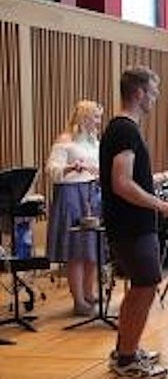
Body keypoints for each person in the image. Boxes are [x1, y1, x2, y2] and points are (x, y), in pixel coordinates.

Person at [100, 66, 168, 379]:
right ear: (139, 93)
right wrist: (162, 205)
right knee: (145, 285)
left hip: (131, 224)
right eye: (153, 92)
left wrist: (167, 176)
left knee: (142, 286)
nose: (155, 98)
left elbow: (134, 178)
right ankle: (126, 361)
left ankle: (126, 349)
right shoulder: (125, 130)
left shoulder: (121, 129)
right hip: (132, 226)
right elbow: (121, 183)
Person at [46, 100, 104, 316]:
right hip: (71, 194)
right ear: (84, 118)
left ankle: (89, 293)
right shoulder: (65, 140)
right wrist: (72, 166)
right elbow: (52, 170)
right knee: (77, 250)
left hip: (92, 192)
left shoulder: (94, 141)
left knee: (91, 247)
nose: (98, 122)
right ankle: (78, 300)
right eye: (95, 117)